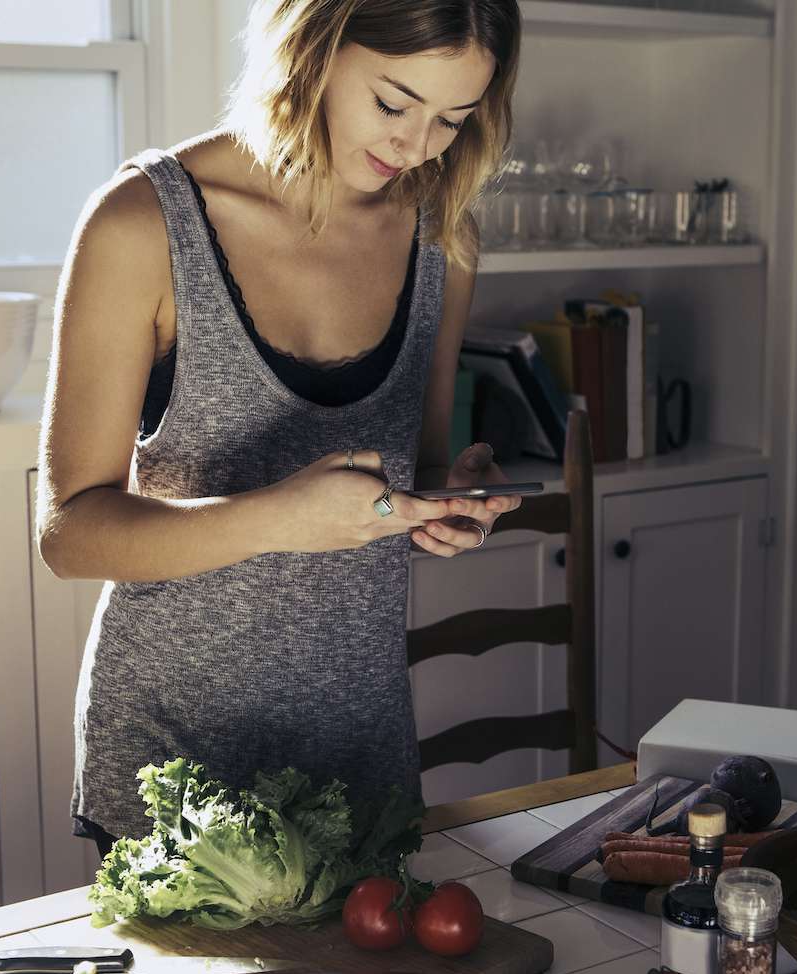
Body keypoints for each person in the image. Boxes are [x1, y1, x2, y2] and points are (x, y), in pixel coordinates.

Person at [34, 0, 524, 857]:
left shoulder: (446, 237)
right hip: (176, 750)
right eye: (394, 103)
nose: (417, 147)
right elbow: (70, 534)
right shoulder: (143, 223)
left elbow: (418, 472)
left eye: (452, 119)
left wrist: (441, 504)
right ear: (316, 45)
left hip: (360, 744)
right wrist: (276, 518)